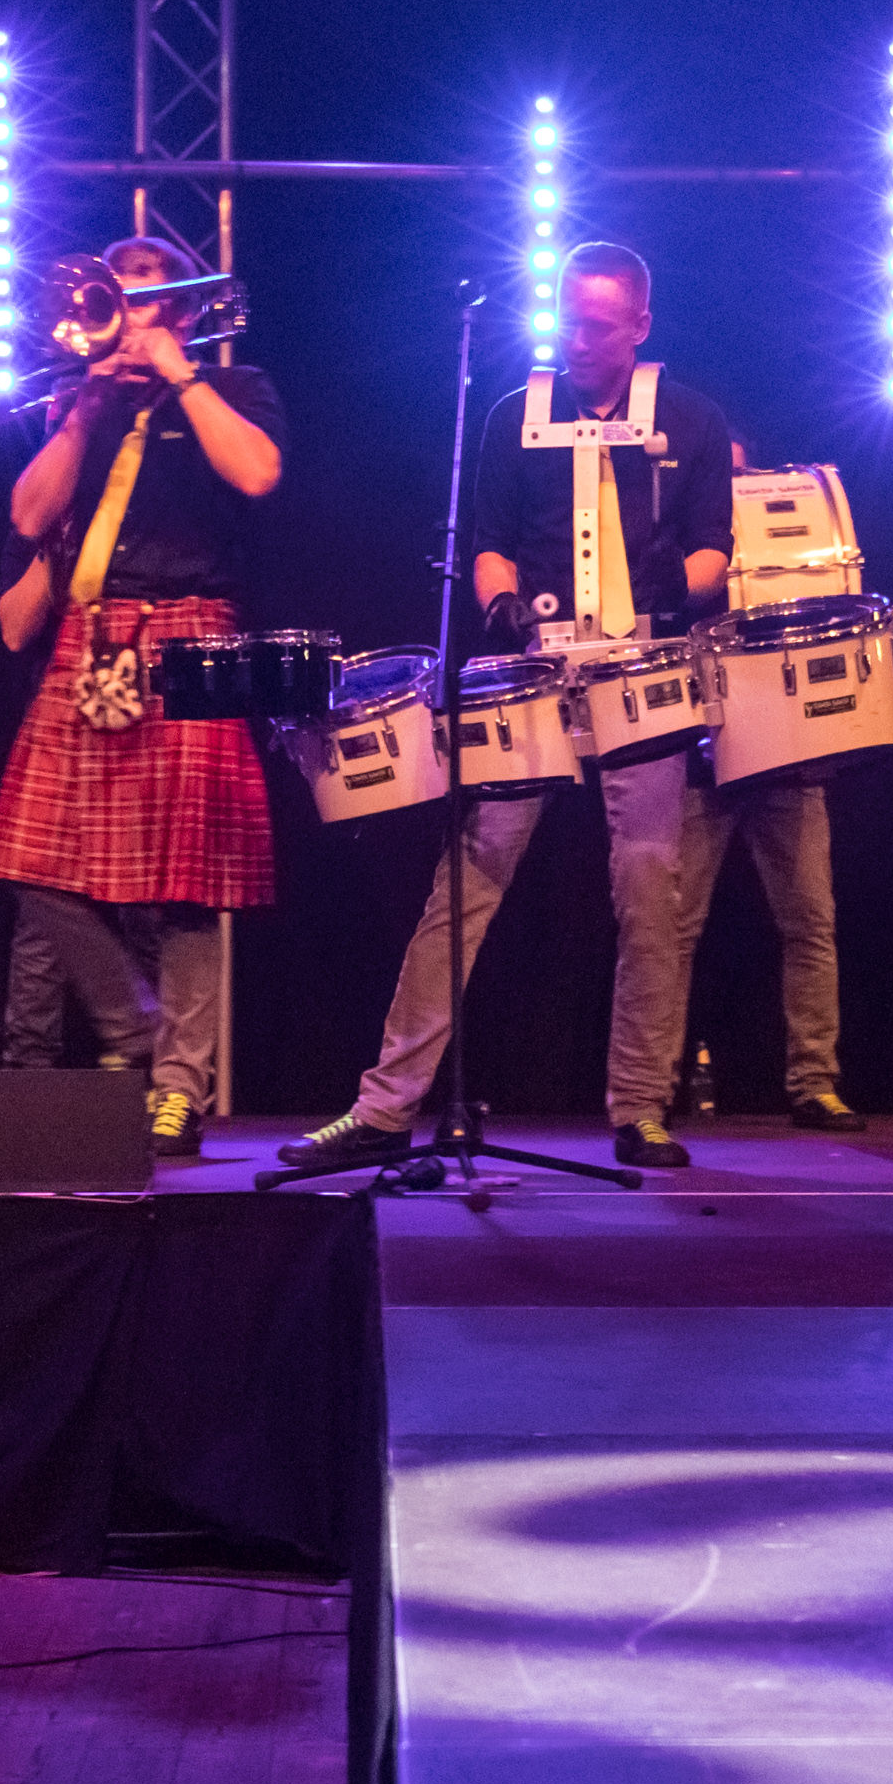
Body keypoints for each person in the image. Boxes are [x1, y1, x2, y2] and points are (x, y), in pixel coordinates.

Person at [278, 240, 733, 1175]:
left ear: (640, 325)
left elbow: (716, 551)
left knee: (650, 888)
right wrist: (504, 607)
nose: (576, 339)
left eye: (597, 325)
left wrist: (664, 587)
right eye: (567, 320)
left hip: (642, 668)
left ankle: (641, 1106)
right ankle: (385, 1106)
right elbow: (489, 544)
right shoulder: (512, 415)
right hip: (532, 673)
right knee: (467, 882)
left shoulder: (690, 418)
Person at [0, 236, 283, 1160]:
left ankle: (179, 1090)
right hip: (92, 634)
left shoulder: (234, 387)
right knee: (30, 862)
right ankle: (137, 1024)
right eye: (114, 298)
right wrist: (82, 411)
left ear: (181, 311)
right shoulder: (84, 403)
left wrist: (180, 377)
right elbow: (29, 515)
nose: (123, 315)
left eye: (143, 298)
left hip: (192, 631)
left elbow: (258, 474)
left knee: (189, 885)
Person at [674, 434, 859, 1133]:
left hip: (789, 753)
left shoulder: (793, 540)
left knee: (811, 922)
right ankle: (650, 1087)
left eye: (738, 470)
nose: (731, 483)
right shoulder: (673, 545)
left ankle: (816, 1082)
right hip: (702, 756)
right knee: (672, 929)